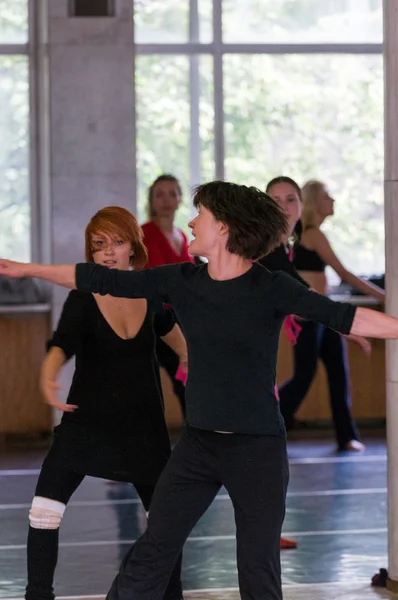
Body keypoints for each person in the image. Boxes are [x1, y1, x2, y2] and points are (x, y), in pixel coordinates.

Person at [1, 180, 397, 600]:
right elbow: (95, 278)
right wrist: (28, 269)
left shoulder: (272, 287)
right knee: (153, 550)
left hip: (257, 450)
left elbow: (345, 317)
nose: (190, 222)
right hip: (197, 448)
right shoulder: (182, 280)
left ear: (223, 227)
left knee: (258, 568)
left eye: (200, 215)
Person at [23, 206, 186, 600]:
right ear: (91, 253)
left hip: (144, 427)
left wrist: (191, 364)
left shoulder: (150, 291)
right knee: (44, 512)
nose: (108, 252)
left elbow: (176, 336)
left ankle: (171, 596)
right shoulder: (83, 296)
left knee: (165, 523)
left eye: (117, 242)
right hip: (87, 423)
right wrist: (48, 376)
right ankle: (37, 596)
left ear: (133, 247)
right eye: (99, 245)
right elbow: (63, 343)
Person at [278, 179, 384, 451]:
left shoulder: (311, 234)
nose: (333, 200)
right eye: (327, 196)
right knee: (305, 375)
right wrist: (386, 298)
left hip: (321, 315)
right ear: (315, 202)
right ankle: (267, 422)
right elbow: (345, 274)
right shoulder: (312, 234)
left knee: (338, 373)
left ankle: (346, 435)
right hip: (309, 316)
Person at [142, 174, 194, 417]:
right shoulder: (144, 233)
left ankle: (196, 439)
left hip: (180, 319)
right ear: (151, 201)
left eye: (171, 193)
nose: (165, 200)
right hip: (152, 321)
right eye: (159, 194)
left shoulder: (182, 236)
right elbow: (157, 279)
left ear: (180, 199)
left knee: (186, 382)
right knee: (150, 387)